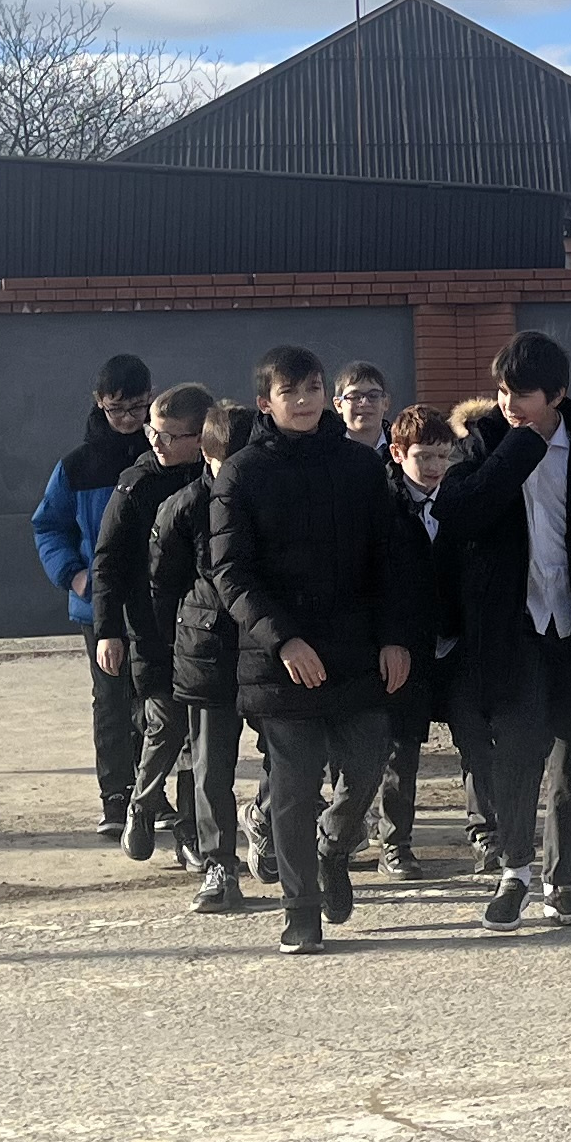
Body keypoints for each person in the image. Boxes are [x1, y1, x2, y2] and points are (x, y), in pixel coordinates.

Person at [207, 345, 421, 956]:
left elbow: (391, 559)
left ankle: (334, 846)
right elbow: (231, 573)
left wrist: (395, 636)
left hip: (356, 651)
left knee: (367, 762)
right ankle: (300, 911)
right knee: (295, 785)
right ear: (265, 403)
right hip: (281, 661)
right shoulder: (241, 474)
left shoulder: (359, 466)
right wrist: (283, 639)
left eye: (313, 389)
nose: (304, 402)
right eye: (290, 392)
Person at [437, 333, 571, 932]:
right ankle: (514, 873)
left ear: (557, 395)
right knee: (515, 753)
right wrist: (518, 448)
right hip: (511, 627)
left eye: (524, 394)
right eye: (503, 391)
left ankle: (565, 881)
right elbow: (458, 514)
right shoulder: (483, 442)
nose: (509, 403)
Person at [31, 351, 153, 841]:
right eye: (116, 408)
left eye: (137, 407)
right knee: (112, 699)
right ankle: (116, 796)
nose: (127, 419)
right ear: (99, 403)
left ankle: (153, 792)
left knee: (156, 699)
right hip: (98, 605)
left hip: (158, 601)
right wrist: (73, 574)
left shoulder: (164, 453)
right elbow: (48, 526)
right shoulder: (77, 466)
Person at [91, 382, 215, 863]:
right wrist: (108, 630)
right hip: (150, 629)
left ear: (200, 438)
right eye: (153, 432)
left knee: (200, 738)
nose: (156, 442)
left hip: (203, 630)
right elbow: (108, 562)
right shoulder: (136, 484)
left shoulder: (216, 480)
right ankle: (141, 805)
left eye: (168, 435)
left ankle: (191, 833)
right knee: (165, 726)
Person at [374, 406, 484, 879]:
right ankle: (394, 843)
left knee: (476, 738)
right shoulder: (382, 505)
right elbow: (374, 581)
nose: (436, 466)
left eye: (443, 455)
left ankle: (486, 834)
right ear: (399, 454)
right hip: (405, 646)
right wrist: (389, 639)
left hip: (456, 641)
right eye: (425, 456)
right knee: (400, 749)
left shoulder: (459, 499)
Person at [161, 395, 256, 916]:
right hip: (207, 650)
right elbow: (163, 585)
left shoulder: (272, 498)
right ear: (206, 455)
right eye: (226, 463)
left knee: (292, 755)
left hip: (267, 646)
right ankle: (220, 864)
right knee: (210, 767)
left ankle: (269, 827)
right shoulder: (184, 508)